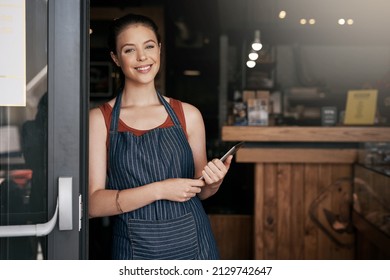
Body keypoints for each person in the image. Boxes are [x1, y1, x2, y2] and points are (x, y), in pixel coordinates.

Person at [88, 13, 232, 260]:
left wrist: (214, 181)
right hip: (133, 249)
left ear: (159, 49)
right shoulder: (99, 120)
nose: (142, 57)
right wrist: (160, 190)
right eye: (129, 50)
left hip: (195, 244)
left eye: (149, 46)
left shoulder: (189, 115)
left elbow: (202, 191)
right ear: (115, 58)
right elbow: (93, 204)